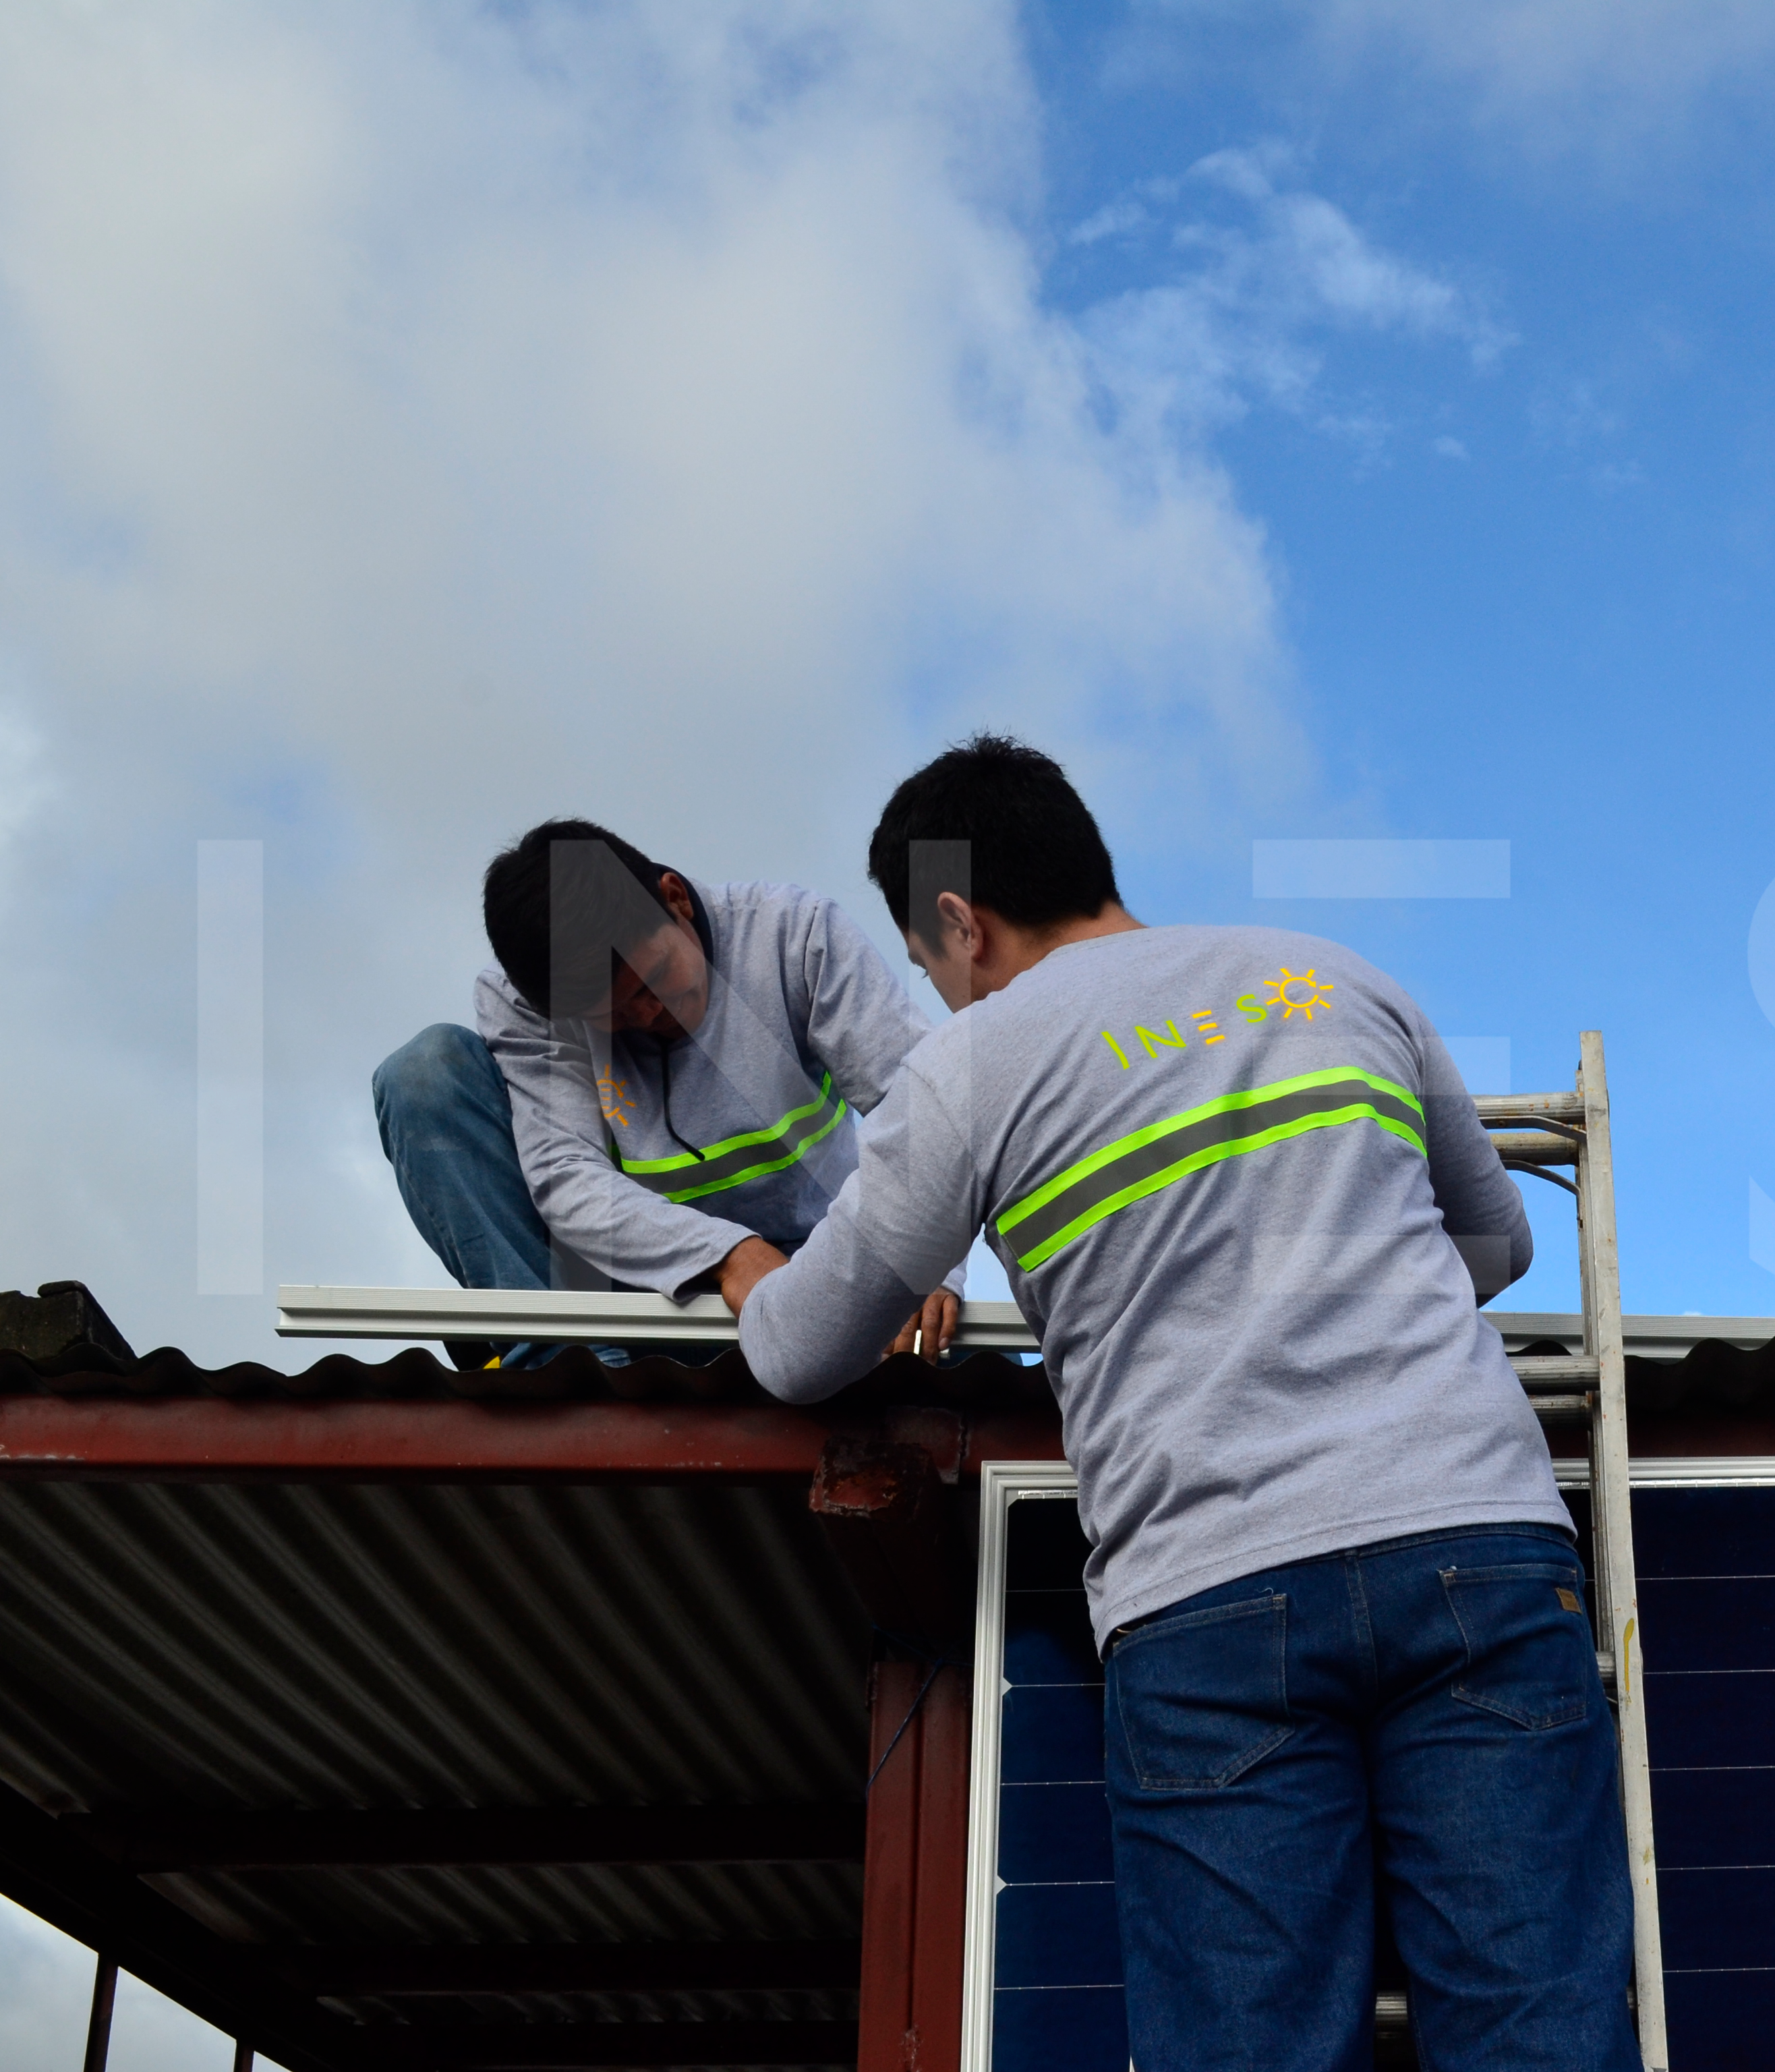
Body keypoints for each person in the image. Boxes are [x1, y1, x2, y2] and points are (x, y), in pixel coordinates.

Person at [730, 736, 1637, 2072]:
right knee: (1540, 2041)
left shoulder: (972, 1067)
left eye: (929, 966)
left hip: (1211, 1598)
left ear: (958, 923)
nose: (938, 992)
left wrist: (732, 1266)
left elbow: (800, 1351)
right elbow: (1496, 1245)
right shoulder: (1335, 980)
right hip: (1474, 1541)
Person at [371, 819, 961, 1366]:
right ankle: (564, 1373)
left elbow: (920, 1106)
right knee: (424, 1073)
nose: (650, 1013)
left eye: (655, 979)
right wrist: (728, 1255)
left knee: (961, 1361)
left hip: (822, 1270)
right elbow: (565, 1173)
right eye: (613, 1013)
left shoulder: (792, 936)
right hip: (634, 1298)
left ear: (675, 898)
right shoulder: (531, 1005)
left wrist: (925, 1268)